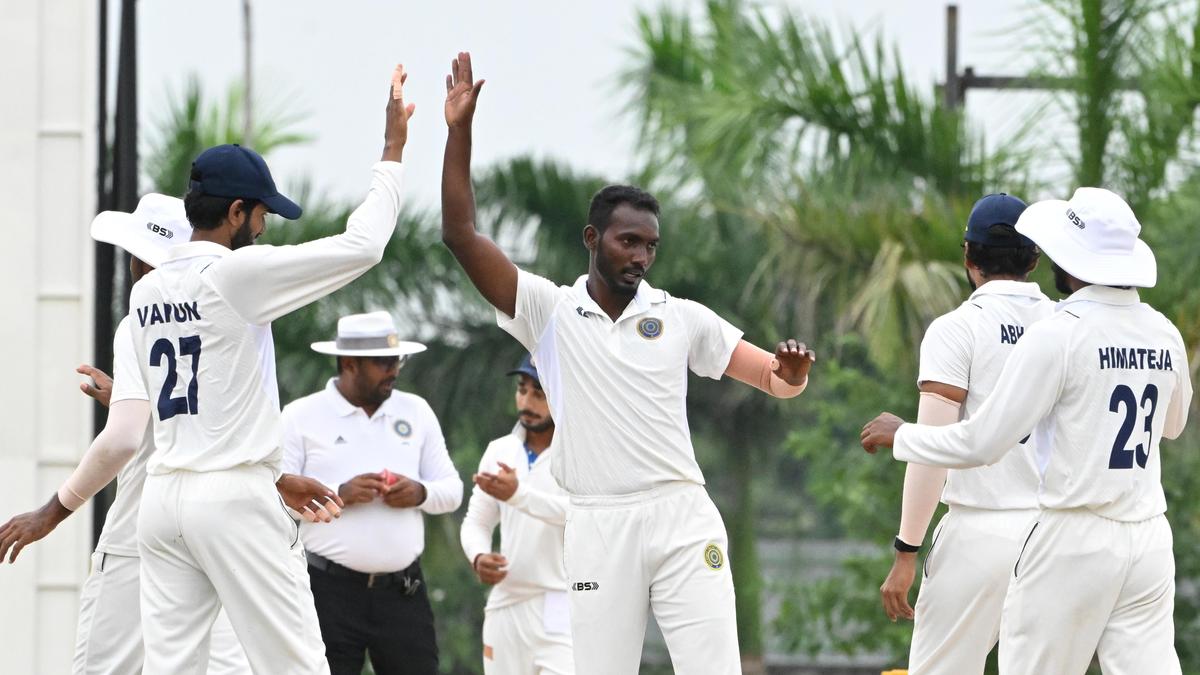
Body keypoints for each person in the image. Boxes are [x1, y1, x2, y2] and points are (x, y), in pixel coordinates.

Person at [0, 66, 414, 674]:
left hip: (164, 504)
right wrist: (392, 152)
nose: (265, 225)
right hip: (233, 500)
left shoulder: (144, 295)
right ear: (237, 211)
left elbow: (159, 419)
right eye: (262, 214)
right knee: (299, 667)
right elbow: (363, 246)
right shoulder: (232, 275)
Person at [439, 52, 816, 674]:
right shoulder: (548, 311)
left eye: (650, 245)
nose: (641, 256)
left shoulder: (680, 315)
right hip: (596, 526)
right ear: (592, 239)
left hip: (680, 517)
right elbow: (462, 234)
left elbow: (773, 378)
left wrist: (793, 373)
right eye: (628, 241)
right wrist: (460, 132)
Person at [862, 188, 1193, 674]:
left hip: (1066, 533)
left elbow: (982, 443)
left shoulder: (1060, 331)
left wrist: (903, 435)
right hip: (1148, 539)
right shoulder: (1161, 329)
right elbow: (1173, 424)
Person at [876, 194, 1053, 674]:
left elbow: (933, 447)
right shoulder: (1065, 324)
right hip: (1056, 535)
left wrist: (906, 551)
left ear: (968, 257)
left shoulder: (957, 329)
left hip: (978, 532)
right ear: (1035, 257)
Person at [281, 310, 462, 675]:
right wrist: (339, 495)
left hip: (403, 592)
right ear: (349, 363)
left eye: (398, 359)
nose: (394, 369)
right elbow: (275, 502)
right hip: (326, 591)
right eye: (383, 362)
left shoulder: (416, 411)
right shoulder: (300, 416)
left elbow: (453, 490)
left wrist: (420, 493)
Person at [460, 354, 573, 675]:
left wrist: (518, 495)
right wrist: (479, 556)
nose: (526, 401)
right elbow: (477, 522)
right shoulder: (500, 450)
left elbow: (584, 516)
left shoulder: (583, 451)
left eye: (539, 393)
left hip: (565, 601)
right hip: (507, 604)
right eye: (522, 390)